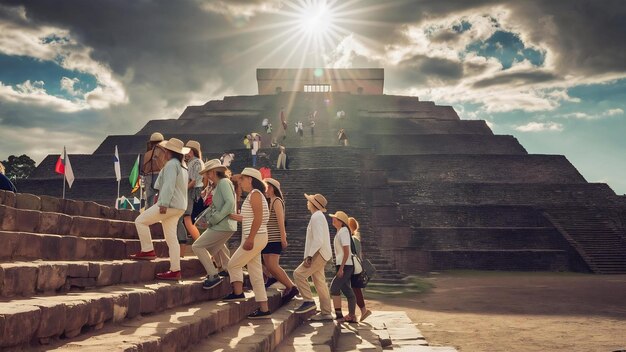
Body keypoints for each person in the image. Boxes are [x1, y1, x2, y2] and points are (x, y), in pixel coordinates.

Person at [130, 138, 189, 280]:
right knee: (171, 238)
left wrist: (163, 203)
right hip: (179, 207)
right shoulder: (183, 167)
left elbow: (167, 185)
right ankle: (175, 270)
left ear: (168, 152)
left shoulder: (171, 165)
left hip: (168, 204)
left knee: (140, 221)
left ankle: (148, 250)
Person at [224, 168, 271, 319]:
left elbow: (258, 218)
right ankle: (264, 309)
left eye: (242, 179)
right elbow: (248, 218)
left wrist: (250, 239)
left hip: (255, 237)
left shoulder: (256, 194)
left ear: (250, 179)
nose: (240, 182)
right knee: (256, 274)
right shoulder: (253, 195)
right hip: (255, 237)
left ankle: (238, 293)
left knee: (233, 264)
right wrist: (231, 216)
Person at [192, 159, 238, 290]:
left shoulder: (223, 183)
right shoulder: (221, 184)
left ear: (212, 172)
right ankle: (228, 269)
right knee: (217, 247)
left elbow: (229, 203)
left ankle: (213, 275)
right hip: (223, 224)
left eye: (207, 173)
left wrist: (215, 218)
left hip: (221, 224)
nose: (205, 176)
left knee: (197, 246)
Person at [293, 193, 333, 320]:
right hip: (322, 252)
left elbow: (318, 240)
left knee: (298, 274)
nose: (307, 202)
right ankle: (326, 312)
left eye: (309, 201)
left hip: (318, 253)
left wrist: (309, 256)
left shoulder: (316, 217)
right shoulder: (318, 216)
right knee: (319, 282)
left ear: (313, 204)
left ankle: (308, 301)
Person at [262, 178, 299, 303]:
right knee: (268, 266)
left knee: (273, 265)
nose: (265, 189)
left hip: (275, 238)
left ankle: (291, 287)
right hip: (268, 238)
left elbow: (280, 222)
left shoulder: (277, 201)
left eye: (267, 187)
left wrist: (283, 238)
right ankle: (277, 281)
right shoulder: (270, 200)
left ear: (272, 188)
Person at [328, 210, 357, 323]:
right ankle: (352, 316)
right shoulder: (340, 231)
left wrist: (341, 269)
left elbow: (346, 252)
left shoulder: (344, 231)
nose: (333, 219)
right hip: (342, 265)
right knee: (347, 291)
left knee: (334, 288)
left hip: (346, 266)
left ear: (341, 222)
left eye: (336, 218)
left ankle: (341, 315)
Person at [177, 140, 203, 255]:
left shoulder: (194, 162)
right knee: (186, 219)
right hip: (195, 192)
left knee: (186, 219)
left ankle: (199, 244)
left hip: (191, 192)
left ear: (191, 151)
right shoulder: (198, 162)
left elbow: (193, 181)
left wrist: (182, 190)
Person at [348, 216, 372, 322]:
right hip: (356, 267)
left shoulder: (352, 239)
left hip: (354, 268)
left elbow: (353, 255)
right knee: (354, 290)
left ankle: (361, 311)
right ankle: (360, 311)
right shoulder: (355, 239)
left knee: (354, 290)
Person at [142, 132, 167, 208]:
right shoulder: (165, 152)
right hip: (161, 175)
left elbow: (144, 169)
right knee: (162, 199)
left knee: (149, 201)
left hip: (149, 177)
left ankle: (148, 216)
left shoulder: (147, 154)